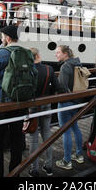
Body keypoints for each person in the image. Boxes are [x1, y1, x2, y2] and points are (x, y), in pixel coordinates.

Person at [0, 25, 27, 177]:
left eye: (3, 36)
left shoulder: (0, 54)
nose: (2, 39)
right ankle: (14, 173)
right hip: (20, 103)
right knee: (16, 140)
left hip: (1, 104)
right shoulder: (26, 52)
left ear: (8, 38)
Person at [27, 48, 65, 177]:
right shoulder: (49, 69)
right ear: (37, 55)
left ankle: (34, 169)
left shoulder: (28, 70)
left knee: (33, 139)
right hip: (46, 105)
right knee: (47, 135)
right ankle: (49, 166)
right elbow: (58, 87)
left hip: (32, 106)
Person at [54, 45, 84, 170]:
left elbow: (62, 87)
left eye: (58, 52)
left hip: (66, 102)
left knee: (65, 131)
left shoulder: (65, 66)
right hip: (76, 100)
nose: (56, 54)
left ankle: (67, 161)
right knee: (75, 127)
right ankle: (79, 155)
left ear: (65, 53)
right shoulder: (77, 63)